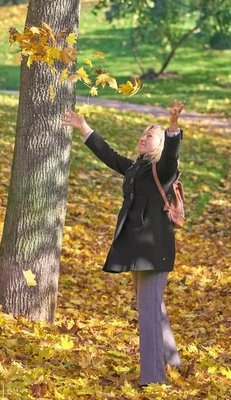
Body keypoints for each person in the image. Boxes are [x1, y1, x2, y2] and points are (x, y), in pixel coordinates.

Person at [61, 100, 185, 387]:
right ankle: (173, 363)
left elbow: (172, 156)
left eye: (149, 136)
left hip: (155, 252)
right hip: (137, 252)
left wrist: (173, 127)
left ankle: (153, 380)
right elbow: (110, 156)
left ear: (159, 146)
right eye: (143, 134)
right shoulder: (136, 169)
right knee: (153, 308)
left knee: (148, 314)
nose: (143, 137)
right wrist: (84, 127)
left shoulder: (163, 170)